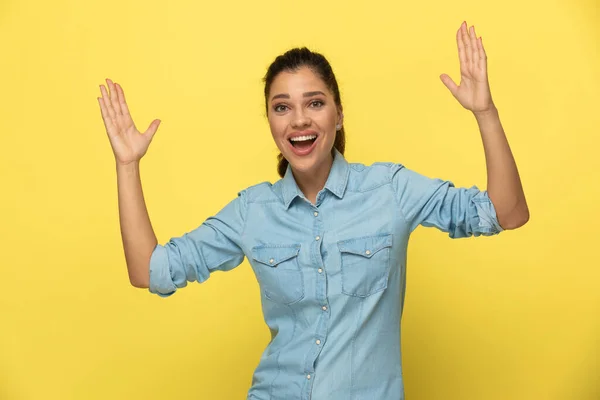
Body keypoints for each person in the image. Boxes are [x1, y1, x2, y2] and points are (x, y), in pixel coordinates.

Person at [98, 21, 529, 400]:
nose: (299, 120)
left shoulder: (390, 189)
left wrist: (485, 112)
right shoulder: (253, 211)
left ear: (339, 115)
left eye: (315, 103)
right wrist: (126, 164)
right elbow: (149, 270)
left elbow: (504, 213)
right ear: (269, 121)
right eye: (281, 106)